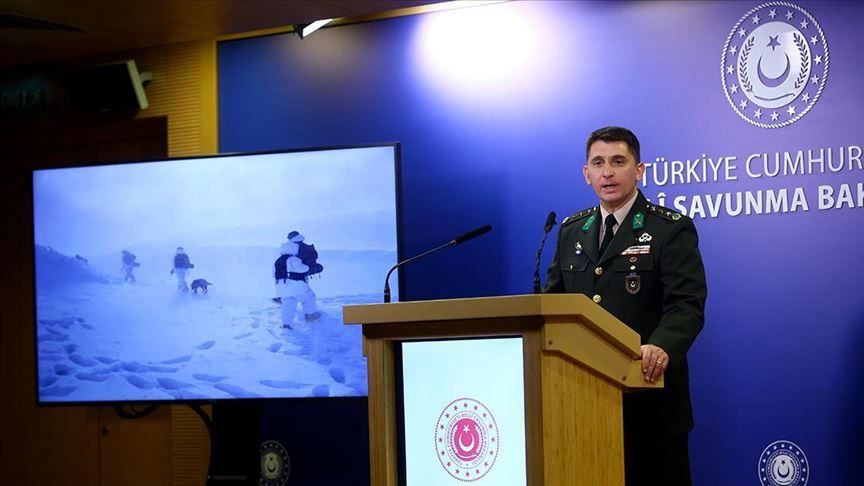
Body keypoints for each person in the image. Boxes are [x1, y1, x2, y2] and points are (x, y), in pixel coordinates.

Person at [544, 126, 707, 486]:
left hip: (650, 403)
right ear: (586, 174)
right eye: (598, 163)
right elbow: (555, 305)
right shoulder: (571, 231)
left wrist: (661, 346)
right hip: (582, 402)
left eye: (618, 161)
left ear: (639, 170)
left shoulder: (669, 229)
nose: (608, 172)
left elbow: (686, 304)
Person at [274, 241, 319, 329]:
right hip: (295, 285)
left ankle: (286, 324)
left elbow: (273, 274)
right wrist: (309, 267)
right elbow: (302, 269)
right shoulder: (293, 259)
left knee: (287, 305)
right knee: (309, 297)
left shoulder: (277, 261)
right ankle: (310, 315)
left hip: (281, 287)